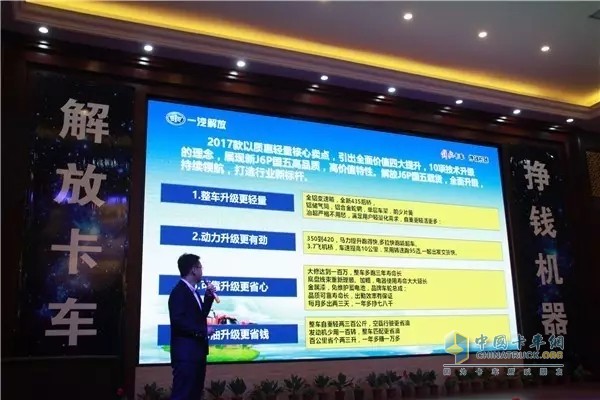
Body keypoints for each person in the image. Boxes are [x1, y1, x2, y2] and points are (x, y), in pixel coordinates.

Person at [169, 253, 216, 400]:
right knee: (182, 394)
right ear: (193, 270)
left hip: (197, 354)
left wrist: (208, 298)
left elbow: (199, 317)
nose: (202, 271)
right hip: (186, 355)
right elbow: (178, 321)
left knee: (194, 394)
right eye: (200, 267)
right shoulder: (179, 292)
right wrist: (203, 330)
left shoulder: (193, 291)